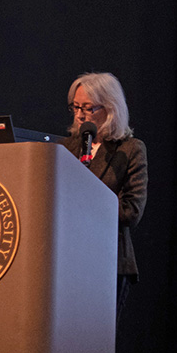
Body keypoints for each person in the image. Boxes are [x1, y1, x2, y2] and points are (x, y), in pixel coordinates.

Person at [62, 71, 147, 322]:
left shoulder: (130, 150)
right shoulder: (63, 148)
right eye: (76, 107)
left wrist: (84, 202)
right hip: (66, 259)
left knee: (95, 344)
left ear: (110, 109)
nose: (79, 115)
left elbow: (131, 210)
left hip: (108, 261)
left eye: (88, 108)